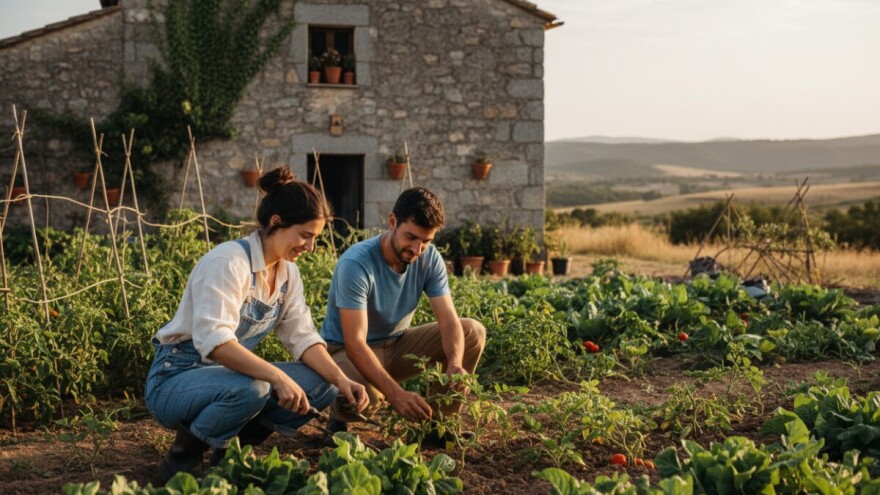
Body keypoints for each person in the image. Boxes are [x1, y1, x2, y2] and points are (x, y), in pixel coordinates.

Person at [145, 168, 368, 481]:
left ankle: (230, 450)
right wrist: (277, 377)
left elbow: (302, 337)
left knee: (322, 384)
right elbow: (217, 343)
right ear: (276, 223)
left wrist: (342, 380)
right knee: (255, 387)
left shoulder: (288, 274)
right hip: (176, 379)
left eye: (315, 238)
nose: (310, 247)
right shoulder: (229, 262)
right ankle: (183, 457)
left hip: (226, 377)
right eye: (305, 235)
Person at [320, 186, 486, 446]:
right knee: (369, 398)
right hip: (344, 352)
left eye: (426, 241)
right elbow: (354, 343)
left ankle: (438, 429)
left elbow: (448, 320)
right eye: (411, 237)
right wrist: (396, 394)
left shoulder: (429, 258)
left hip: (395, 344)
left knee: (471, 332)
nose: (417, 248)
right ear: (392, 222)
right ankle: (338, 422)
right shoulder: (357, 264)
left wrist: (455, 363)